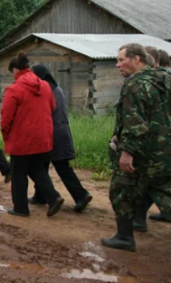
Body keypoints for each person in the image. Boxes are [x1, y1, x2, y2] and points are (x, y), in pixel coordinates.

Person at [103, 43, 171, 252]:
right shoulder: (164, 80)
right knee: (165, 192)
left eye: (122, 60)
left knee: (121, 191)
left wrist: (127, 152)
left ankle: (124, 237)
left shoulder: (136, 85)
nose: (117, 65)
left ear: (137, 59)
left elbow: (135, 123)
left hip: (143, 153)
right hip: (164, 152)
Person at [1, 52, 64, 218]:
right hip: (43, 136)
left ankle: (21, 208)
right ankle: (53, 197)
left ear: (15, 70)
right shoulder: (44, 86)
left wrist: (6, 135)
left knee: (18, 172)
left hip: (21, 138)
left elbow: (6, 118)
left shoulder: (14, 89)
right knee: (37, 169)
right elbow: (52, 106)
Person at [30, 65, 93, 212]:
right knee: (51, 165)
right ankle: (40, 195)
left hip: (52, 132)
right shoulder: (57, 89)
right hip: (62, 130)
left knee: (47, 166)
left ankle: (81, 195)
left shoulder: (45, 90)